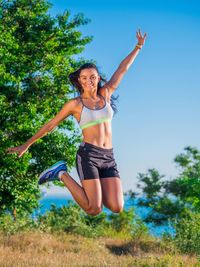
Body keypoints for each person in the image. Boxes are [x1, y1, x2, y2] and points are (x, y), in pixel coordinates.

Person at [7, 29, 147, 216]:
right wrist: (26, 144)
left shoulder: (105, 94)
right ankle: (60, 173)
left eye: (93, 77)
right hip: (88, 156)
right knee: (93, 209)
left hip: (108, 157)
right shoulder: (75, 104)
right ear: (79, 81)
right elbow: (50, 125)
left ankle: (95, 188)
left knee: (116, 207)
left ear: (98, 78)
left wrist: (138, 47)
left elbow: (122, 69)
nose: (89, 81)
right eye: (84, 78)